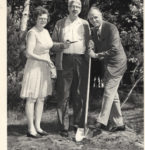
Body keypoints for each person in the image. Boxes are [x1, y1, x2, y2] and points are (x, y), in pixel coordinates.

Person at [52, 0, 90, 141]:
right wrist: (62, 45)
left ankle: (77, 124)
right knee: (63, 94)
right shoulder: (60, 23)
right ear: (68, 8)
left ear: (80, 9)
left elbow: (90, 43)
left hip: (81, 61)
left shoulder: (85, 24)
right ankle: (64, 126)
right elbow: (52, 44)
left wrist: (91, 45)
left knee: (79, 93)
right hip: (64, 61)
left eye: (78, 6)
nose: (75, 8)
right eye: (72, 6)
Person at [87, 7, 127, 134]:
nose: (94, 20)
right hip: (107, 65)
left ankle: (101, 122)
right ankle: (119, 123)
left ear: (101, 16)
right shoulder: (93, 31)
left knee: (108, 92)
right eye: (91, 18)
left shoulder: (111, 28)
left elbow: (115, 49)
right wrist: (90, 47)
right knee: (113, 95)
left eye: (96, 17)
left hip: (117, 64)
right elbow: (92, 43)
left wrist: (96, 55)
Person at [20, 6, 55, 138]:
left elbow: (48, 47)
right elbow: (29, 53)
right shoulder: (32, 32)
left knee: (41, 98)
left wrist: (49, 63)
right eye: (40, 18)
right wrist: (45, 60)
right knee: (32, 98)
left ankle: (38, 126)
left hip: (44, 67)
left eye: (45, 19)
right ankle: (30, 128)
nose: (43, 21)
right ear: (35, 18)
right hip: (34, 66)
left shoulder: (45, 31)